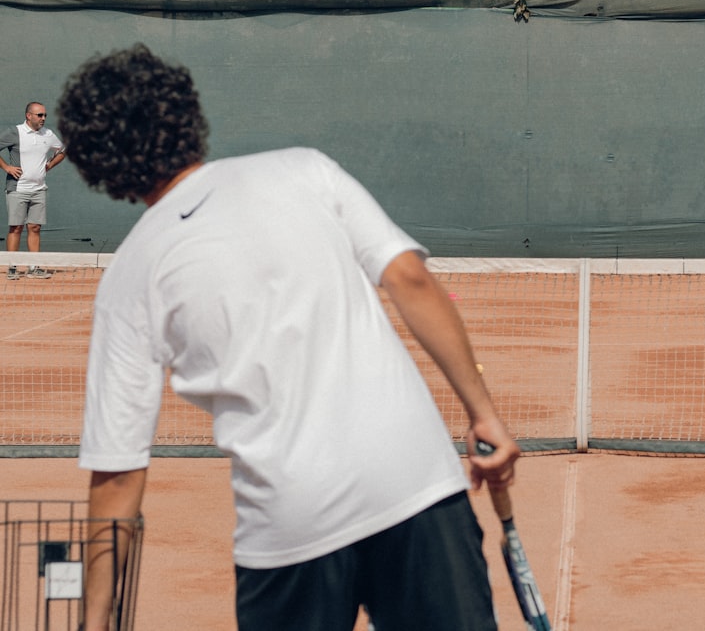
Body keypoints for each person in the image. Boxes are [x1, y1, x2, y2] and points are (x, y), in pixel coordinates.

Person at [57, 44, 520, 631]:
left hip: (290, 528)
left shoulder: (130, 275)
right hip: (416, 485)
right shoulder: (306, 168)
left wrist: (93, 621)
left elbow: (118, 474)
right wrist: (485, 415)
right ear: (184, 112)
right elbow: (410, 279)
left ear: (99, 164)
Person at [0, 101, 66, 279]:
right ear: (29, 116)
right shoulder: (15, 132)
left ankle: (33, 267)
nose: (43, 118)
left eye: (45, 115)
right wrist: (7, 167)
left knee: (35, 228)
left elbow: (63, 150)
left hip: (39, 190)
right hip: (17, 189)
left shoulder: (48, 134)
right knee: (16, 228)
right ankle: (12, 267)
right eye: (40, 115)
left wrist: (50, 165)